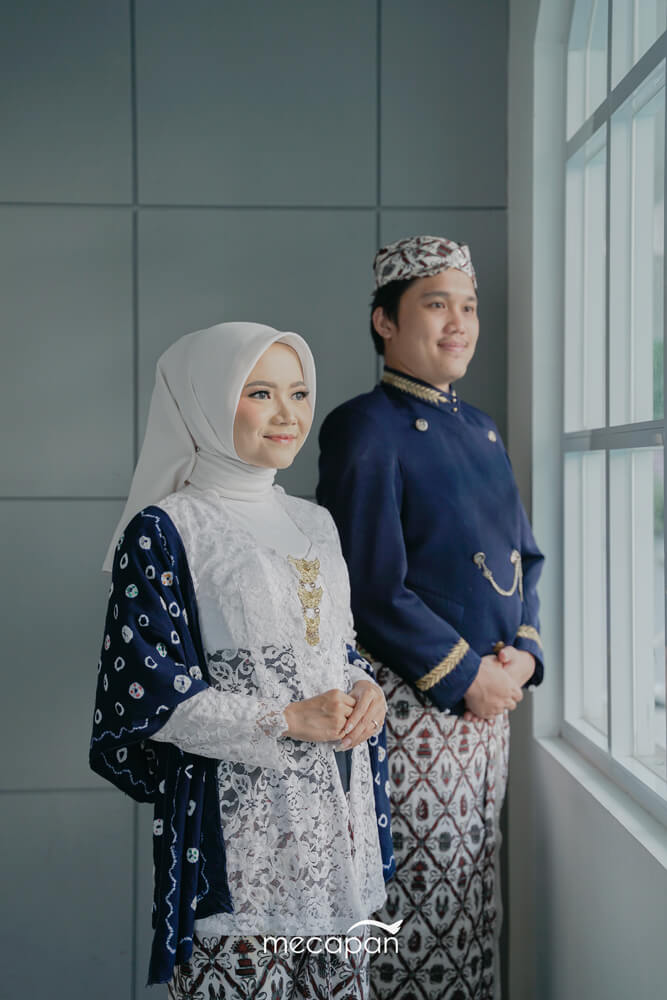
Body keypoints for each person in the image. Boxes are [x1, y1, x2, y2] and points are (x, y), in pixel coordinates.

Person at [89, 321, 395, 997]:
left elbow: (335, 646)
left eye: (298, 393)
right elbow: (149, 694)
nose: (288, 414)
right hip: (239, 840)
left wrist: (364, 686)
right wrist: (286, 718)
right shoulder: (168, 528)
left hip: (336, 825)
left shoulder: (315, 521)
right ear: (205, 401)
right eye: (260, 393)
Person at [316, 235, 545, 1000]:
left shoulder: (480, 427)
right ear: (384, 321)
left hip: (489, 704)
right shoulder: (363, 427)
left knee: (473, 904)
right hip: (413, 710)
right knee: (417, 913)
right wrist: (465, 676)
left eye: (468, 307)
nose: (458, 323)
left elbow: (524, 557)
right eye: (436, 304)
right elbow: (369, 588)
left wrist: (523, 656)